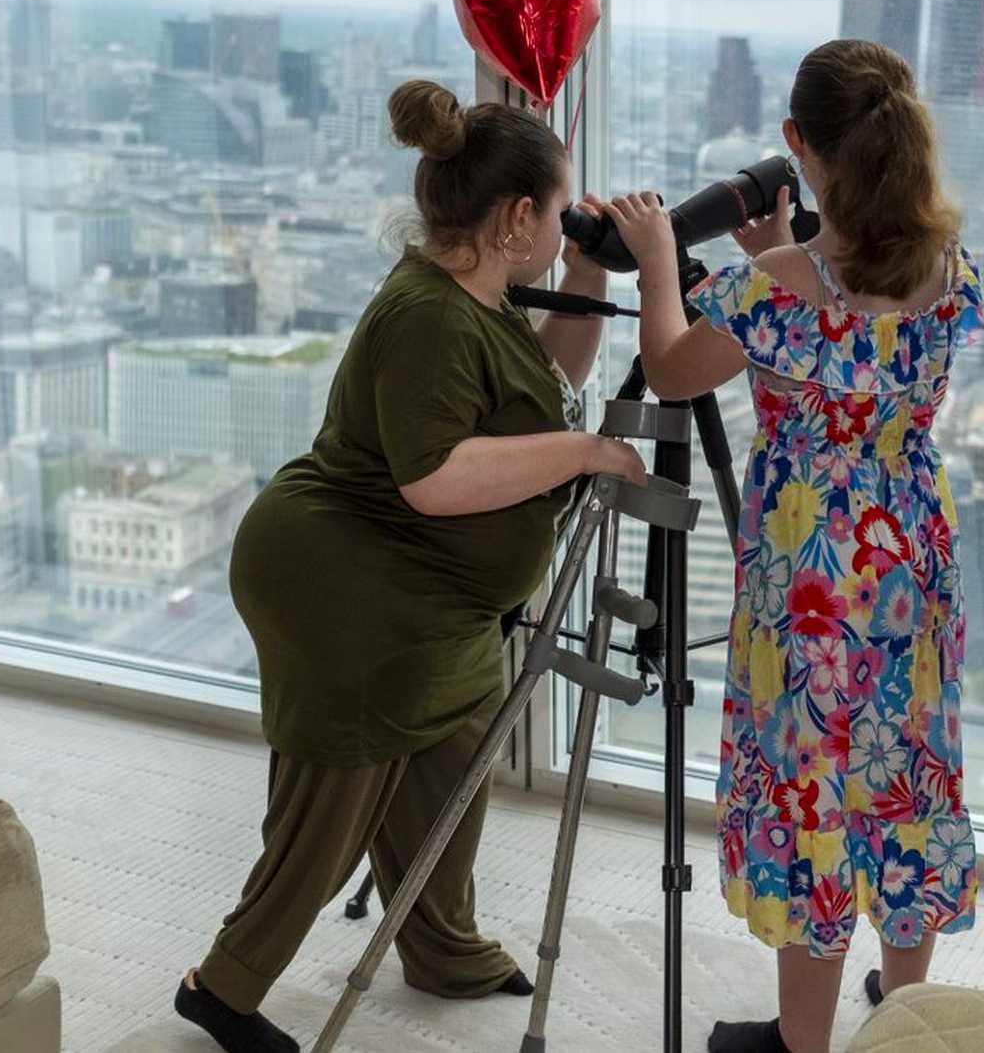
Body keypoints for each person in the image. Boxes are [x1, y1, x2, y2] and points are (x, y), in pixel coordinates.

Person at [174, 80, 646, 1053]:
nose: (564, 232)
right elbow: (434, 477)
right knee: (336, 800)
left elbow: (553, 385)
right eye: (560, 216)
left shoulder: (484, 292)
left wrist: (591, 274)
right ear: (517, 217)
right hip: (348, 584)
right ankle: (222, 987)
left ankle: (440, 944)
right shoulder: (429, 314)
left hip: (429, 594)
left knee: (453, 752)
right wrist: (586, 454)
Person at [600, 39, 984, 1053]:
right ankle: (906, 1019)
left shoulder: (778, 283)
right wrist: (789, 242)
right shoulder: (946, 264)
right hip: (911, 552)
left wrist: (655, 265)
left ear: (798, 146)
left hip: (812, 564)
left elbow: (676, 367)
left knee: (811, 778)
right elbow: (859, 295)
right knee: (903, 771)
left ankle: (802, 1043)